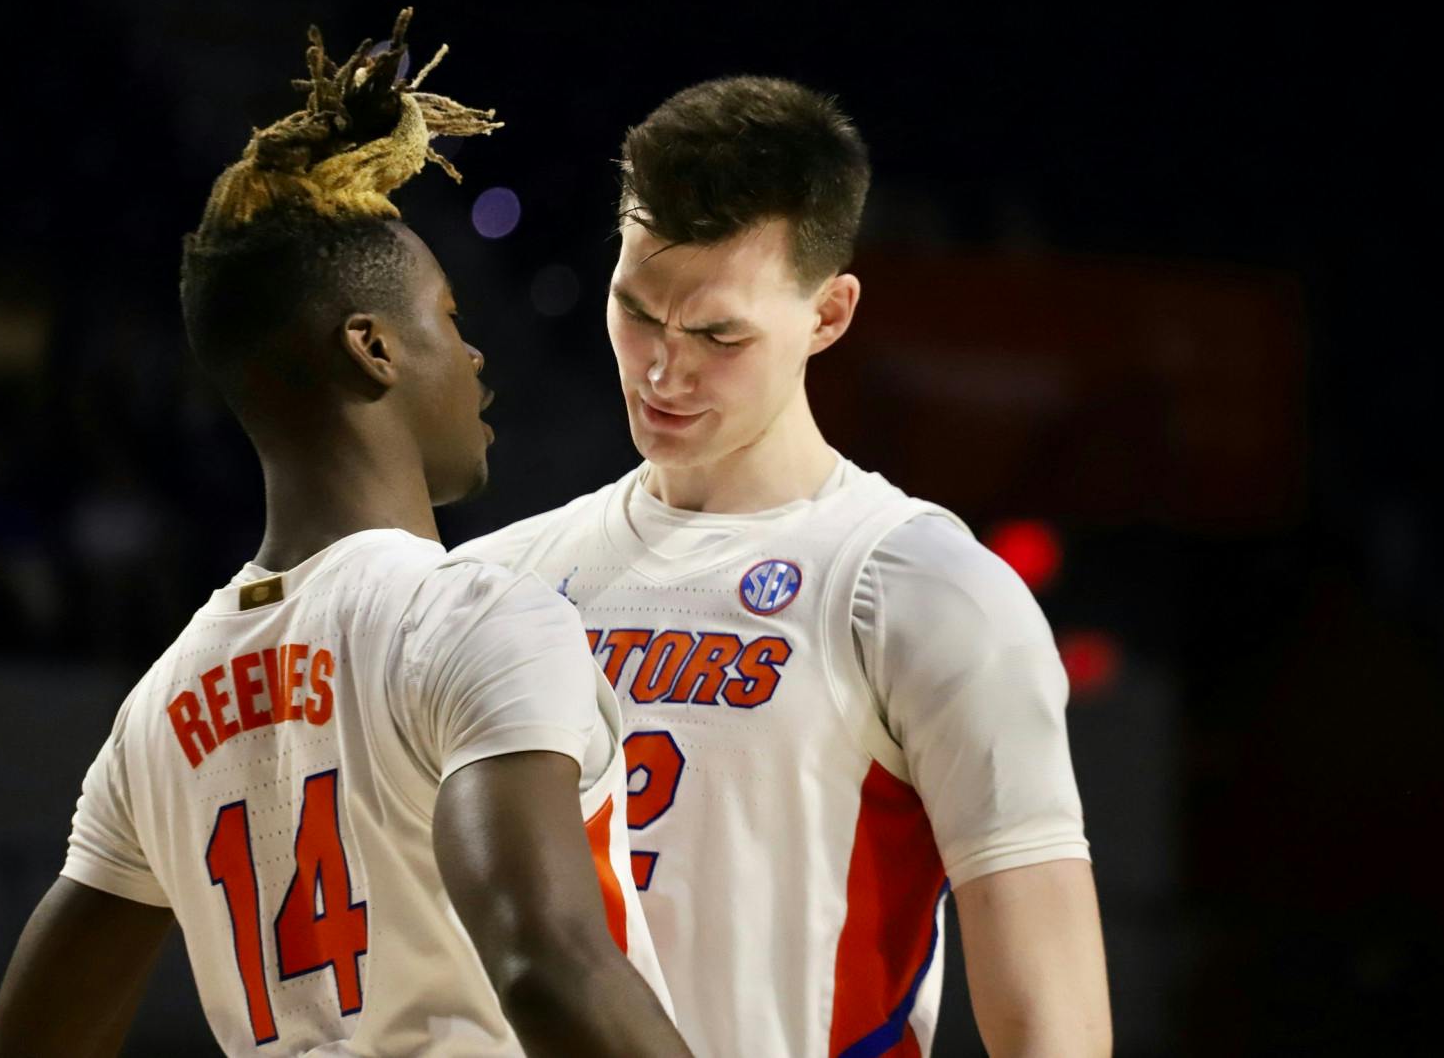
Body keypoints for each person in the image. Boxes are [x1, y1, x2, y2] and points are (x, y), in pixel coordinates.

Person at [0, 11, 689, 1058]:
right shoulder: (471, 615)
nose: (478, 357)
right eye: (450, 319)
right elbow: (549, 967)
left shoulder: (161, 705)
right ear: (371, 348)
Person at [454, 76, 1114, 1057]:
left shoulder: (925, 589)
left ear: (829, 312)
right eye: (635, 311)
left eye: (717, 333)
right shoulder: (490, 582)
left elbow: (1051, 1022)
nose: (661, 370)